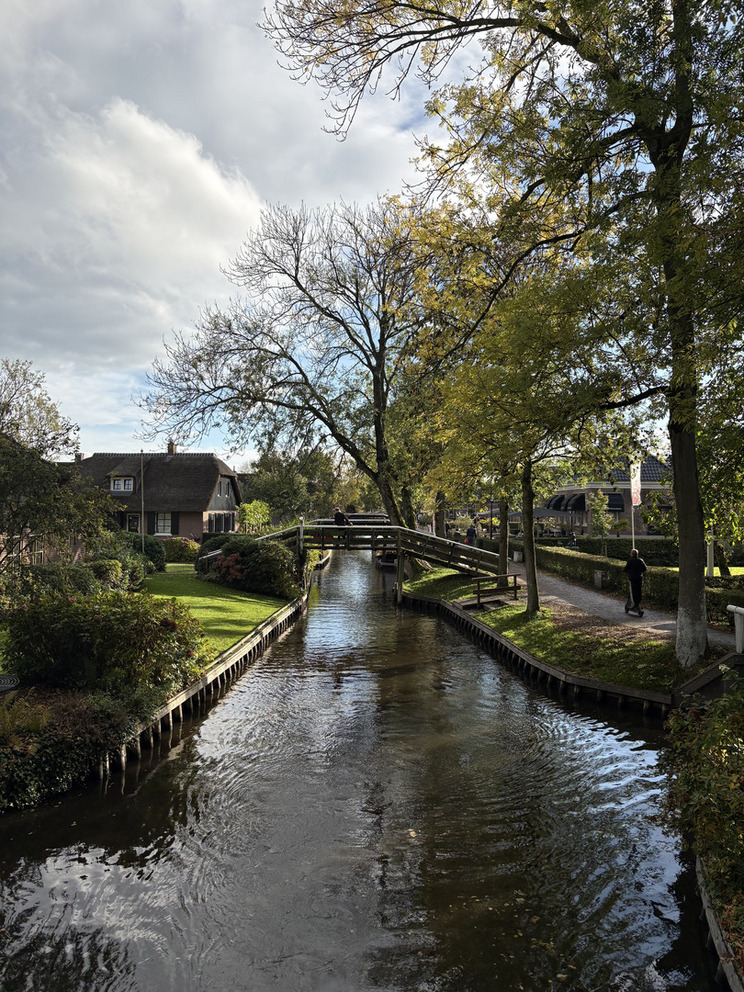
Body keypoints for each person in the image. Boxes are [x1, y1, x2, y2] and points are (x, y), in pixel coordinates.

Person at [623, 548, 647, 616]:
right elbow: (645, 568)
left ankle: (634, 604)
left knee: (633, 592)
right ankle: (637, 603)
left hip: (632, 578)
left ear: (632, 554)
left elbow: (626, 568)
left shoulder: (630, 561)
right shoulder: (640, 560)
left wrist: (625, 570)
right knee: (638, 591)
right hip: (639, 578)